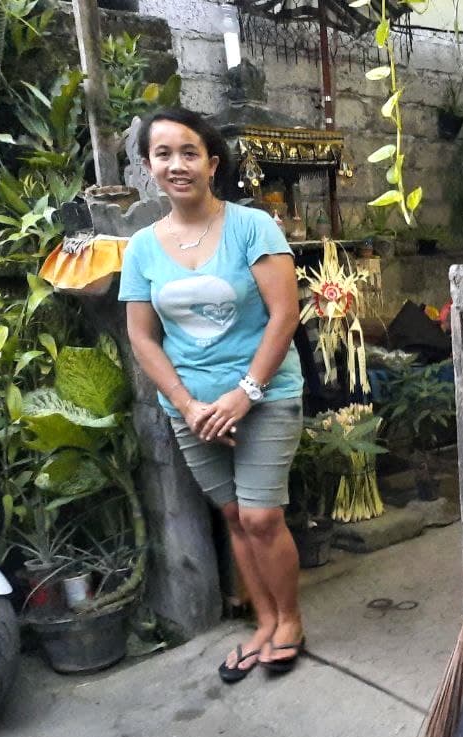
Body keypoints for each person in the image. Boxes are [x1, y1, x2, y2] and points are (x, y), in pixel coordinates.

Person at [119, 107, 306, 684]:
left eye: (189, 152)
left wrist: (244, 394)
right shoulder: (142, 248)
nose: (177, 165)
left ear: (211, 163)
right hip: (192, 410)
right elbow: (142, 337)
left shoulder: (252, 227)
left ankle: (290, 621)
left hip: (265, 396)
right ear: (148, 166)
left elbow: (285, 314)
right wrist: (188, 403)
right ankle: (264, 622)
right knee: (232, 515)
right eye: (163, 154)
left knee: (261, 515)